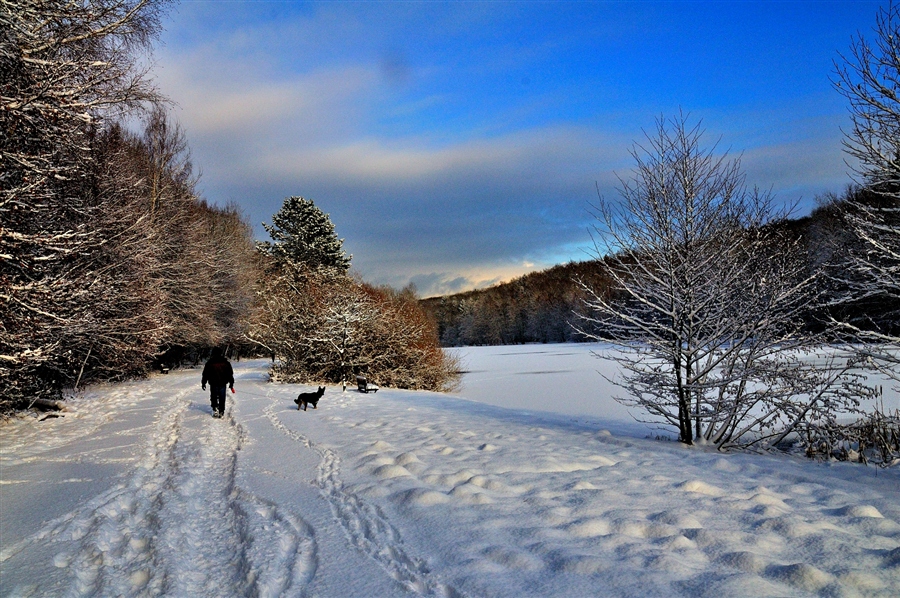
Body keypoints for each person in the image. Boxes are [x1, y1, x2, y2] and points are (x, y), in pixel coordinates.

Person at [201, 348, 234, 418]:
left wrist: (203, 383)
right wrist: (231, 383)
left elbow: (205, 373)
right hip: (222, 383)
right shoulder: (225, 362)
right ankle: (221, 411)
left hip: (213, 383)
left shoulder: (210, 362)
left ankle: (215, 408)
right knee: (222, 397)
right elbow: (230, 374)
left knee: (213, 396)